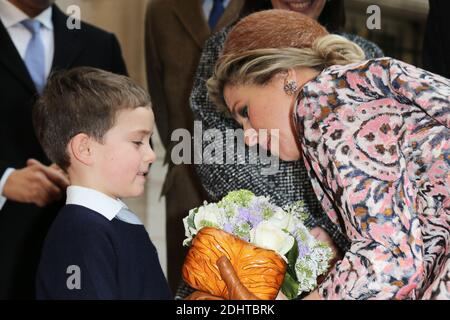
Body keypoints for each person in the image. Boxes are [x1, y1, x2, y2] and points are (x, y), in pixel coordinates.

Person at [206, 9, 449, 299]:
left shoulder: (322, 103)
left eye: (244, 111)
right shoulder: (350, 90)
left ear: (285, 77)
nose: (247, 135)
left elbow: (389, 262)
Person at [0, 0, 127, 298]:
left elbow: (129, 135)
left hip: (77, 243)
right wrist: (4, 180)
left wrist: (82, 170)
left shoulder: (99, 43)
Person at [33, 67, 171, 299]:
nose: (151, 155)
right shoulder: (79, 236)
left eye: (149, 142)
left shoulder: (113, 223)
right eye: (138, 142)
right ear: (85, 149)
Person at [144, 0, 244, 293]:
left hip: (251, 169)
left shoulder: (259, 5)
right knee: (185, 281)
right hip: (185, 172)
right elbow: (158, 91)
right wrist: (180, 156)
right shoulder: (161, 10)